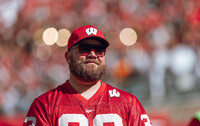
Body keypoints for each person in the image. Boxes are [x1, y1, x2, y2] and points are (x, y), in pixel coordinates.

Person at [23, 25, 152, 126]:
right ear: (68, 57)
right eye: (84, 48)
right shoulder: (45, 105)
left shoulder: (128, 103)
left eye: (99, 50)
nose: (92, 54)